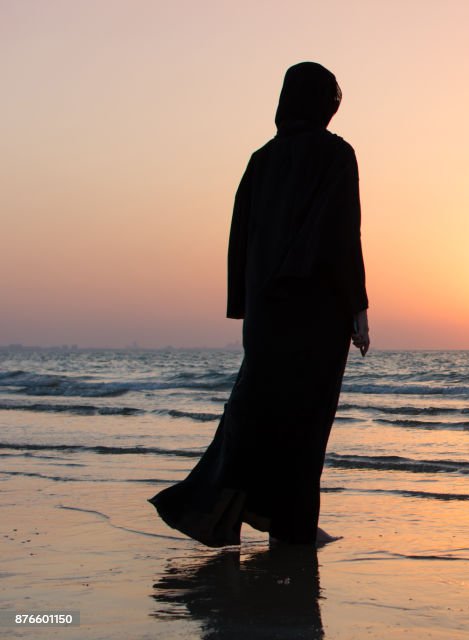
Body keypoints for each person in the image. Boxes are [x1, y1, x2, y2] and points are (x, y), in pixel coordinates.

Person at [149, 61, 369, 547]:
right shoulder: (336, 155)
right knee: (305, 424)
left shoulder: (260, 159)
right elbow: (341, 234)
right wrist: (358, 307)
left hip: (268, 313)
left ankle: (227, 513)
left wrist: (246, 306)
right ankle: (288, 528)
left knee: (258, 413)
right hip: (317, 311)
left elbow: (240, 241)